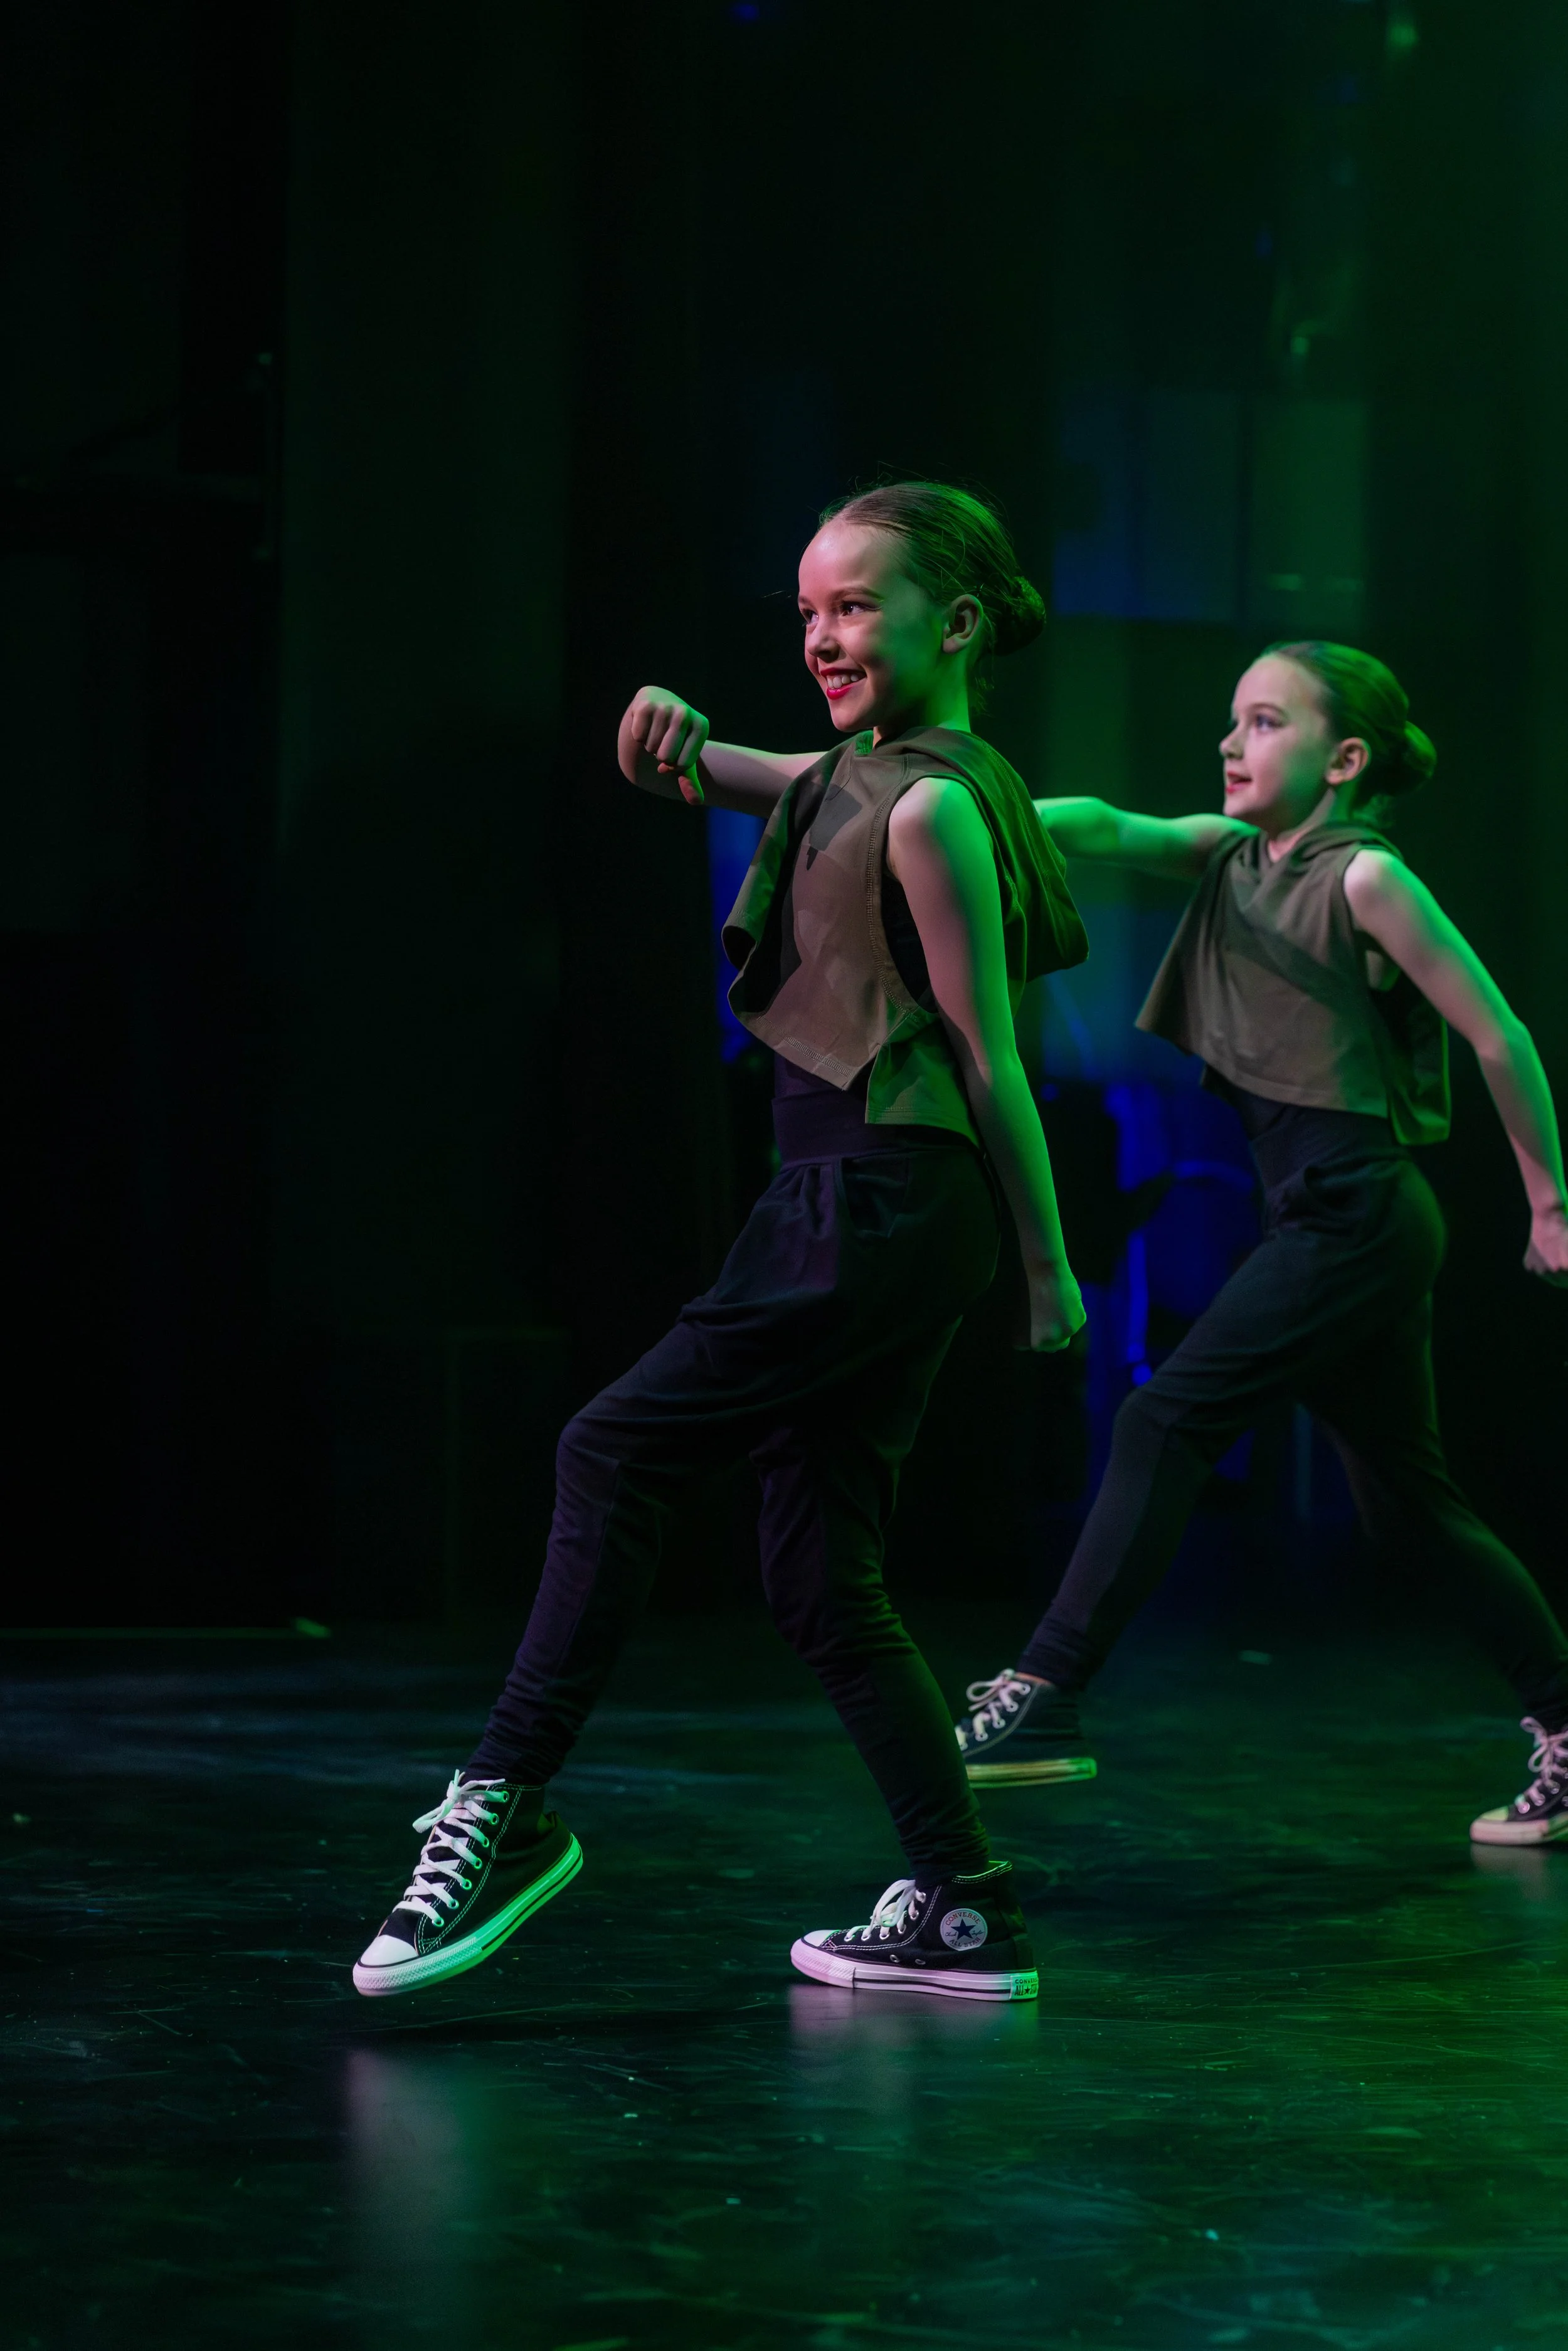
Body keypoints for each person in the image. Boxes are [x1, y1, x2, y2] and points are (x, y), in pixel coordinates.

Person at [353, 480, 1091, 2004]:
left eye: (854, 605)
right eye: (807, 609)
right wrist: (672, 738)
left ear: (953, 623)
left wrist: (1046, 1263)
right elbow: (735, 772)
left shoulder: (934, 803)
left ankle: (507, 1803)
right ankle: (964, 1905)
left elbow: (988, 1053)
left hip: (879, 1196)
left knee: (608, 1449)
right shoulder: (858, 773)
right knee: (821, 1575)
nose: (820, 635)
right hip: (851, 1194)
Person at [953, 641, 1568, 1847]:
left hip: (1358, 1210)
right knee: (1409, 1513)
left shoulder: (1365, 878)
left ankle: (1046, 1692)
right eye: (1234, 720)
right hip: (1325, 1217)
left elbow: (1498, 1031)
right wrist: (953, 801)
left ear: (1345, 759)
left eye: (1267, 721)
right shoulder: (1232, 855)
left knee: (1162, 1418)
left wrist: (1550, 1205)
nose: (1233, 743)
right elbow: (1106, 825)